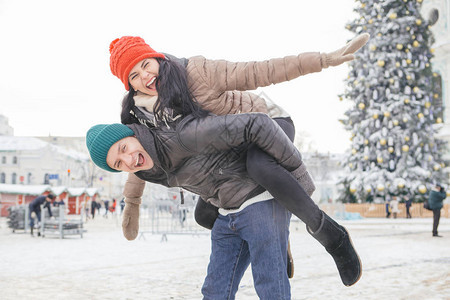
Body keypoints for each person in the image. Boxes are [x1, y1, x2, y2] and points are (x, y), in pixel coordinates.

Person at [108, 34, 370, 248]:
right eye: (133, 76)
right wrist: (132, 204)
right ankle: (270, 237)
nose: (144, 76)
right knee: (204, 214)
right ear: (131, 86)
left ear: (157, 59)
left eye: (145, 65)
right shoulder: (147, 114)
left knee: (260, 165)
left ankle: (330, 234)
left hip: (268, 123)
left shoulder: (197, 72)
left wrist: (323, 60)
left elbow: (260, 71)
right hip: (231, 151)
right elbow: (144, 154)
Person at [85, 112, 362, 296]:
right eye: (118, 164)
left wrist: (297, 180)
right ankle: (281, 236)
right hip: (227, 213)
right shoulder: (147, 166)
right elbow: (138, 180)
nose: (128, 160)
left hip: (260, 198)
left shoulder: (181, 135)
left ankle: (332, 236)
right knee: (215, 291)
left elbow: (257, 123)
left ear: (131, 134)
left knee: (269, 286)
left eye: (123, 149)